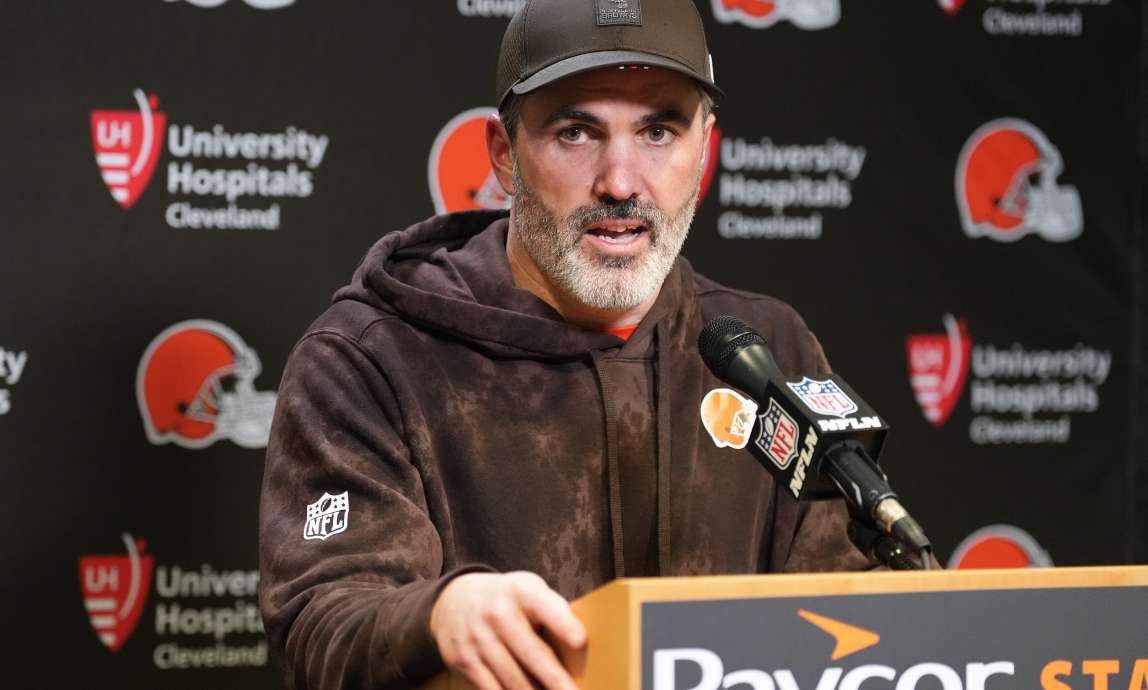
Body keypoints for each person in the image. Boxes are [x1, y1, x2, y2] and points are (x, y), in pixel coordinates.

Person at [259, 1, 873, 689]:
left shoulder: (768, 349)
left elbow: (853, 609)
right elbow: (323, 623)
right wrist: (438, 614)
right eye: (577, 132)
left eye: (659, 131)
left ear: (705, 147)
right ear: (504, 155)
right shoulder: (369, 360)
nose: (620, 181)